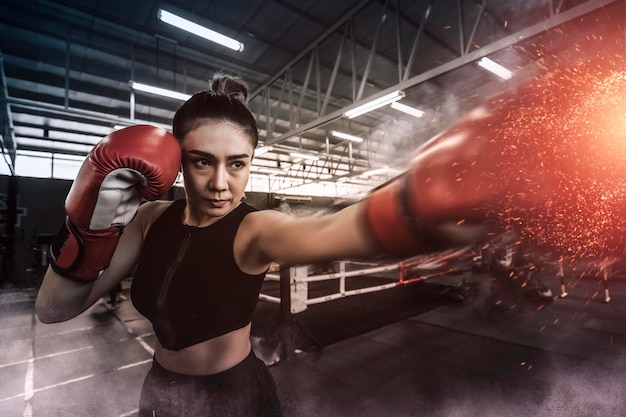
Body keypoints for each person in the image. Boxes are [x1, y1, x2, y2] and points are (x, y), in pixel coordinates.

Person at [38, 65, 608, 415]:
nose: (220, 183)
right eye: (202, 162)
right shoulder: (146, 221)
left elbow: (340, 231)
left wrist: (418, 205)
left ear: (251, 162)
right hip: (159, 395)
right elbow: (55, 310)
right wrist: (94, 218)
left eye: (237, 165)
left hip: (234, 400)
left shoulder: (256, 229)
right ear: (179, 162)